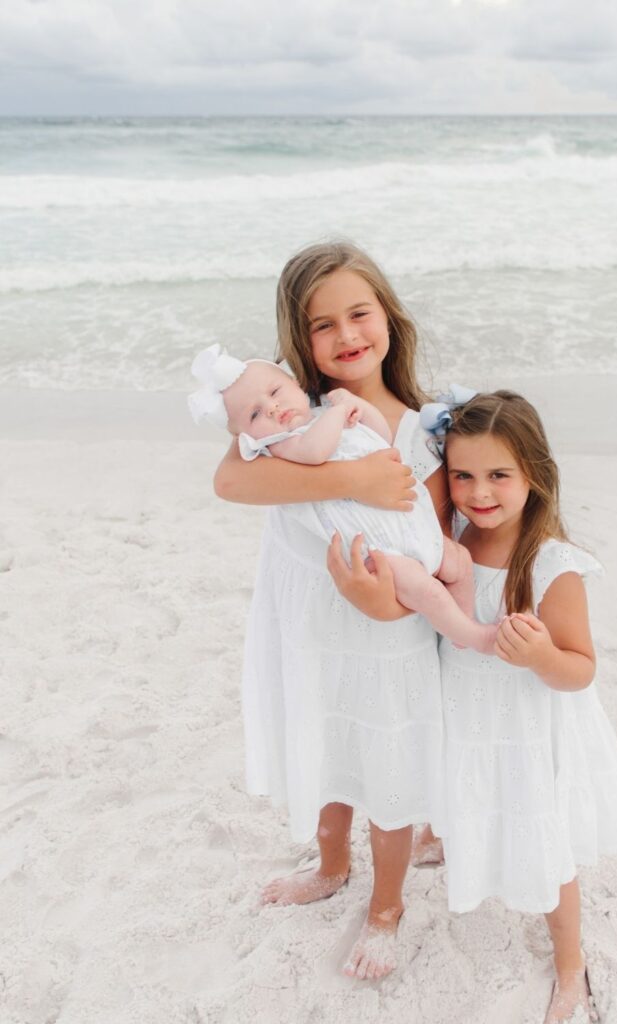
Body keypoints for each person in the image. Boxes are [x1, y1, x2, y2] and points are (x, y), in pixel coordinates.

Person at [211, 241, 448, 980]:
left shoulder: (422, 427)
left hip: (387, 629)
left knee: (383, 759)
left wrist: (380, 602)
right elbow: (230, 482)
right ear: (297, 339)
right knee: (326, 740)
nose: (346, 336)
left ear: (388, 317)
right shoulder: (285, 415)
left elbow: (429, 544)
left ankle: (386, 905)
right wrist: (351, 478)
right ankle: (330, 864)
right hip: (314, 625)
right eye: (323, 325)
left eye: (359, 313)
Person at [426, 390, 617, 1024]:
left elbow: (581, 669)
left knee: (548, 847)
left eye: (498, 475)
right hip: (467, 712)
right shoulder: (454, 538)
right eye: (462, 475)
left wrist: (543, 655)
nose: (478, 491)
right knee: (467, 791)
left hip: (527, 723)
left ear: (534, 476)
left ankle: (569, 965)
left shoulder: (551, 565)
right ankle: (447, 835)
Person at [189, 348, 496, 652]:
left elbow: (380, 437)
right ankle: (472, 635)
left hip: (412, 527)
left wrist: (358, 407)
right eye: (255, 414)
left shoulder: (325, 414)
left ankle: (460, 629)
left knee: (460, 561)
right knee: (427, 591)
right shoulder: (281, 445)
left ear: (296, 385)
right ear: (247, 439)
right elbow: (314, 452)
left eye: (274, 391)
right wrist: (338, 414)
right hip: (381, 549)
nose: (271, 407)